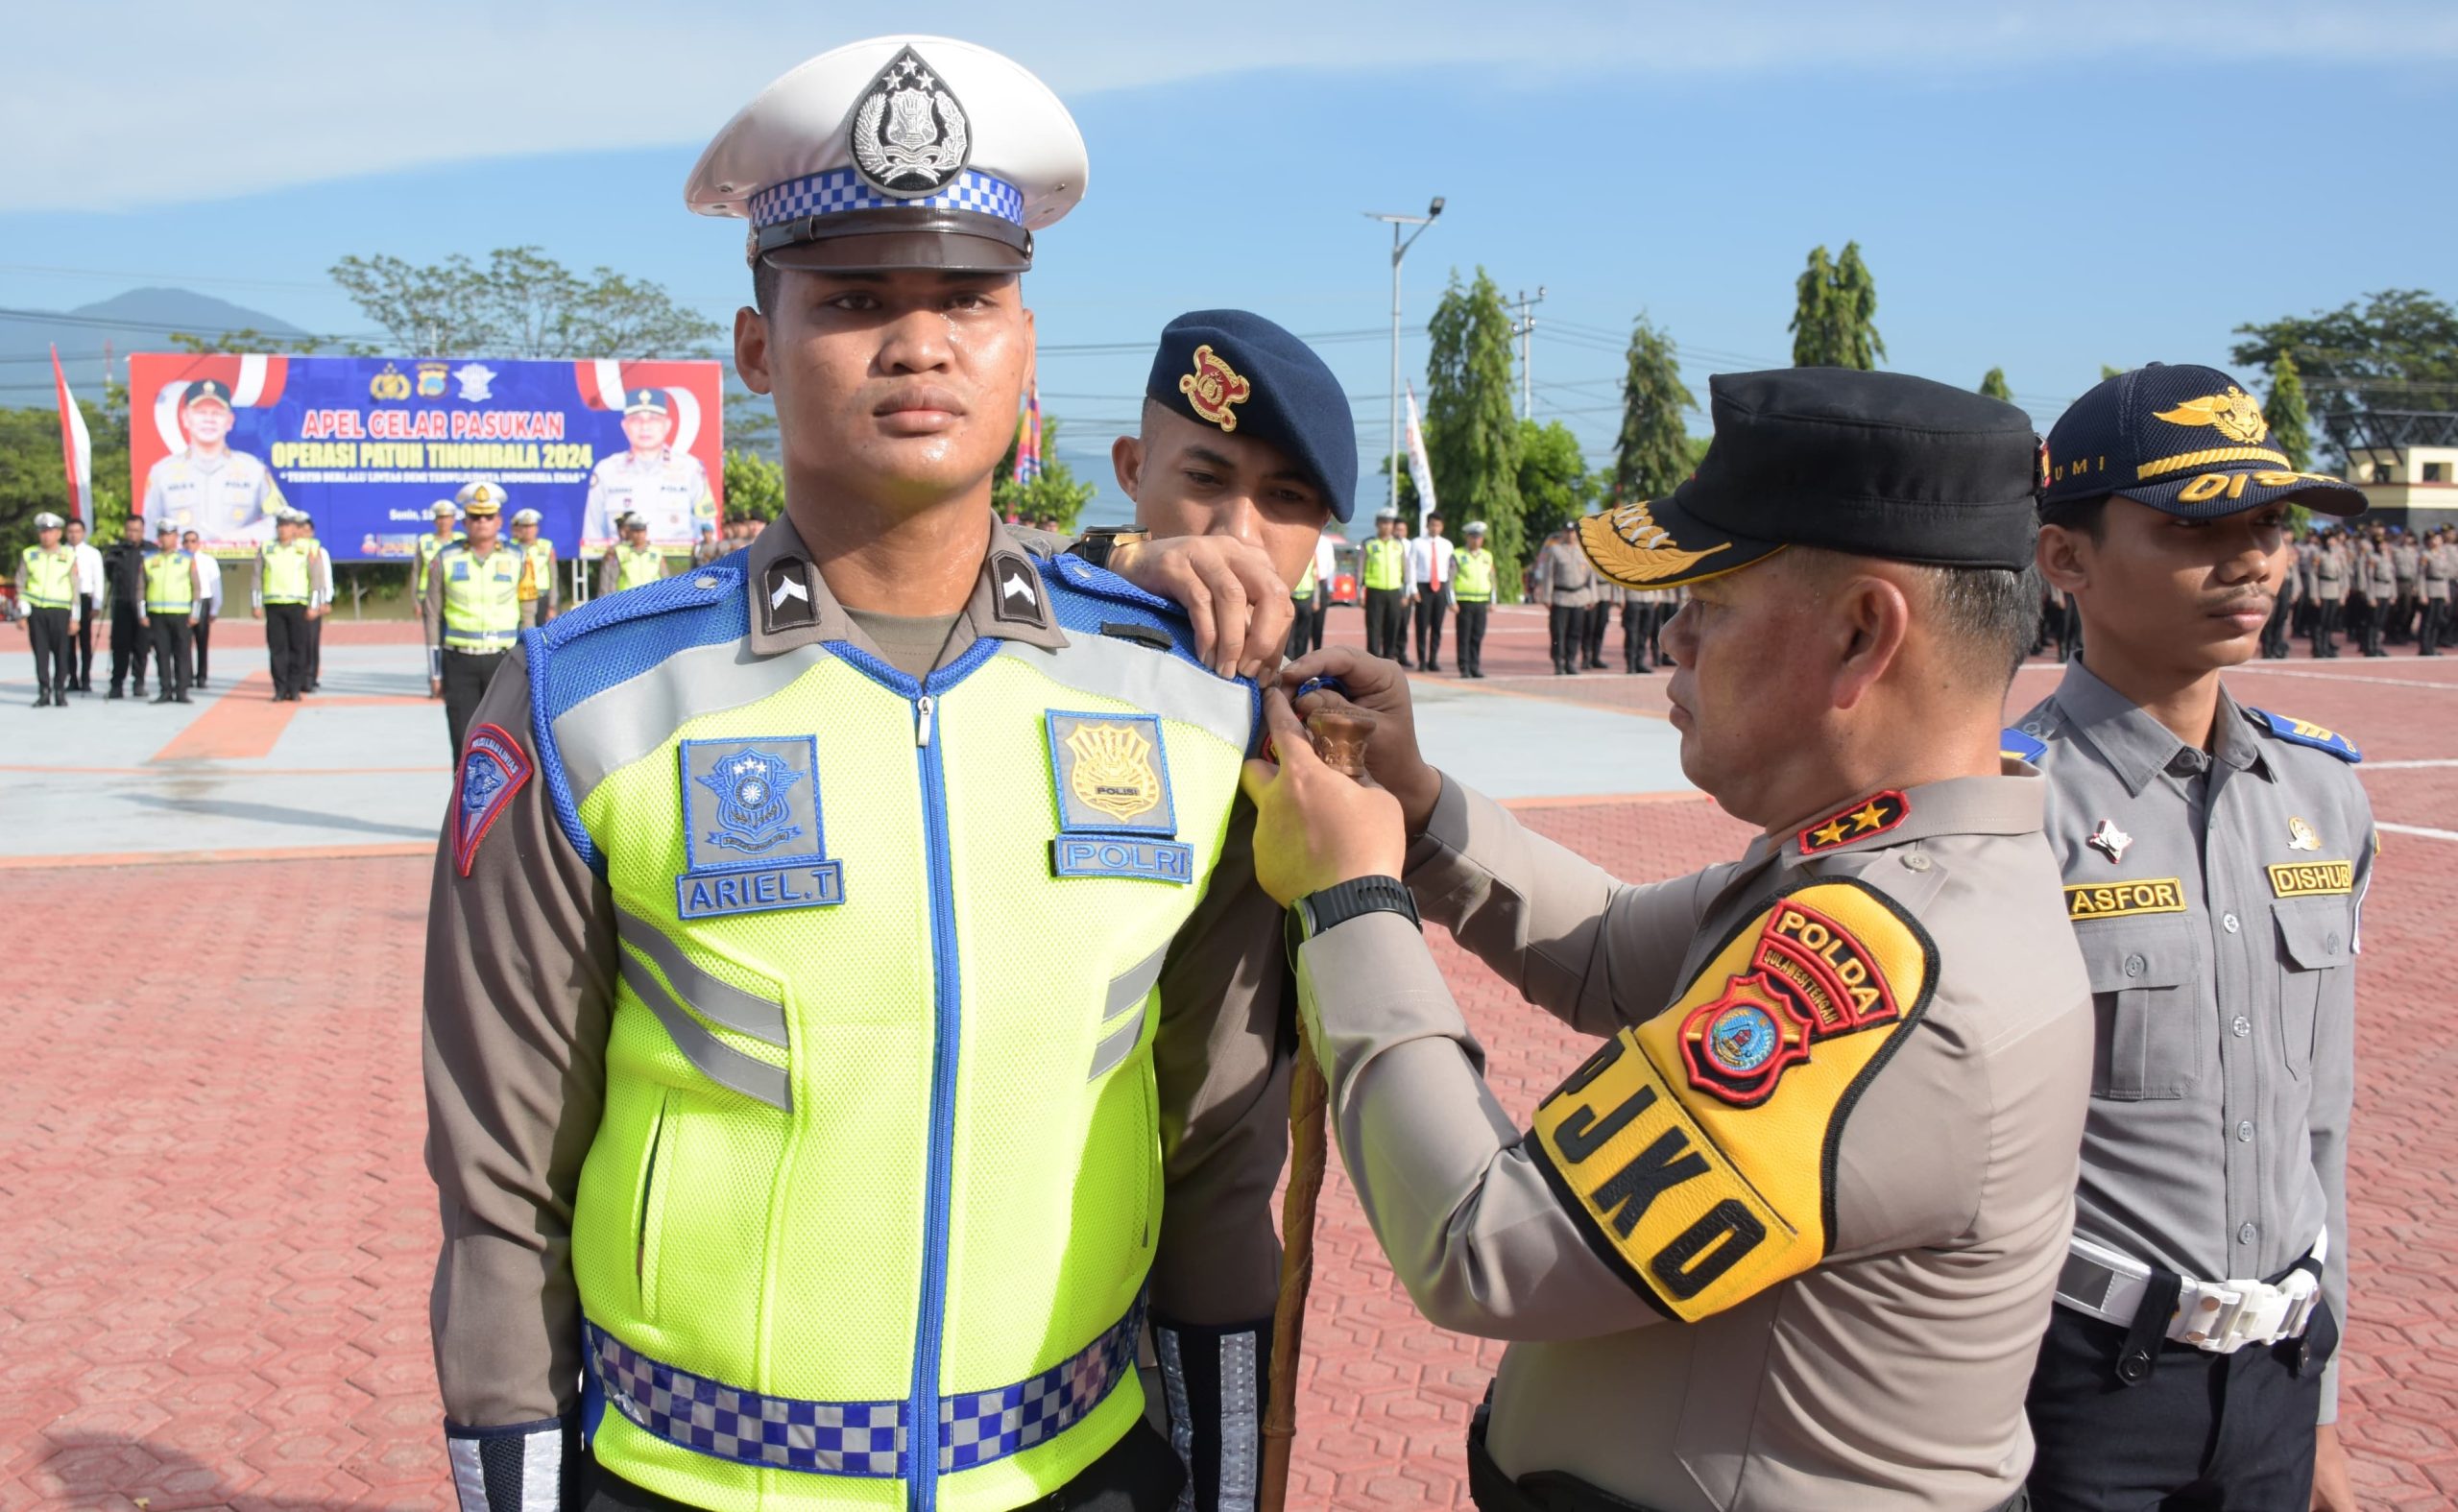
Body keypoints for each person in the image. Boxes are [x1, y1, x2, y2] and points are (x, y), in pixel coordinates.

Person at [424, 37, 1298, 1512]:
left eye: (968, 297)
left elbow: (1220, 1142)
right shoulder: (592, 696)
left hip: (1084, 1468)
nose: (920, 343)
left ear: (1027, 340)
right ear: (758, 348)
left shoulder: (1184, 690)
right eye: (851, 301)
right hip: (691, 1478)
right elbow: (501, 1185)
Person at [1250, 368, 2090, 1511]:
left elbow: (1486, 1246)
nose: (1673, 642)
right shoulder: (1877, 863)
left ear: (1860, 633)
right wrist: (1416, 801)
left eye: (1710, 606)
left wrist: (1348, 900)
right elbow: (1606, 947)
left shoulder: (1893, 962)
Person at [2017, 362, 2373, 1512]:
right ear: (2064, 558)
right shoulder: (2008, 807)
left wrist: (2313, 1410)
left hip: (2276, 1370)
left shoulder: (2322, 796)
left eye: (2267, 523)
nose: (2252, 558)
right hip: (2072, 1382)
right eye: (2194, 525)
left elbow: (2319, 1117)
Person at [425, 483, 521, 755]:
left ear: (499, 521)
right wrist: (435, 671)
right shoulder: (445, 558)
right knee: (463, 742)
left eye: (488, 516)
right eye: (475, 517)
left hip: (505, 661)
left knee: (506, 746)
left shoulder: (517, 557)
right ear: (465, 521)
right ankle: (461, 798)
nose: (482, 523)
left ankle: (505, 800)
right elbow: (432, 615)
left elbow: (528, 615)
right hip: (459, 662)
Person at [140, 377, 288, 546]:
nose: (209, 419)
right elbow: (150, 533)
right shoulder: (162, 473)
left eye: (217, 413)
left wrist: (236, 538)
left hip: (241, 566)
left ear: (230, 421)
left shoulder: (254, 470)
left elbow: (279, 521)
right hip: (182, 566)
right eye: (201, 412)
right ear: (185, 417)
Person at [580, 388, 718, 547]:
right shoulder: (606, 471)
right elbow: (593, 537)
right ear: (625, 426)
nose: (645, 426)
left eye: (653, 419)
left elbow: (708, 529)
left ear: (667, 425)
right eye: (636, 419)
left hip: (680, 566)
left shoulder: (690, 469)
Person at [14, 512, 79, 708]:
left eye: (50, 531)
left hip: (60, 609)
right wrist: (22, 612)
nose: (46, 535)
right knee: (40, 652)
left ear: (59, 533)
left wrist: (75, 617)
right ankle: (44, 691)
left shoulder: (68, 555)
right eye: (42, 531)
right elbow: (21, 583)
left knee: (62, 652)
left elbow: (74, 585)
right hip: (37, 610)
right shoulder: (29, 554)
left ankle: (60, 690)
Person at [253, 510, 316, 701]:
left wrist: (314, 605)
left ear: (295, 528)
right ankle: (280, 688)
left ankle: (295, 688)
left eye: (287, 525)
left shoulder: (306, 549)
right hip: (274, 604)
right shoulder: (267, 548)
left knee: (298, 648)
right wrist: (256, 604)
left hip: (298, 604)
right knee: (277, 649)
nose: (283, 529)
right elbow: (256, 578)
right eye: (280, 525)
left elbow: (315, 579)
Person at [136, 517, 200, 704]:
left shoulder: (187, 558)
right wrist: (142, 613)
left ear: (176, 537)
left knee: (182, 653)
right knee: (162, 654)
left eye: (168, 535)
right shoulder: (149, 559)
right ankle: (165, 690)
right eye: (161, 535)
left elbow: (196, 587)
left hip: (181, 614)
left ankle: (182, 691)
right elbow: (141, 588)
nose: (164, 539)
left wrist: (195, 613)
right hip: (157, 614)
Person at [1531, 523, 1595, 675]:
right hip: (1560, 597)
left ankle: (1570, 661)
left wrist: (1592, 596)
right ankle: (1558, 662)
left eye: (1572, 532)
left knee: (1575, 631)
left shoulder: (1583, 551)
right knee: (1558, 632)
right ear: (1562, 533)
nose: (1570, 535)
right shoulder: (1555, 550)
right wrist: (1546, 596)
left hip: (1579, 597)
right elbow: (1549, 575)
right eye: (1567, 532)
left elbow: (1590, 576)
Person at [415, 500, 463, 698]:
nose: (444, 522)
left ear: (454, 520)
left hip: (455, 597)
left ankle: (452, 681)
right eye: (440, 518)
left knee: (452, 639)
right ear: (435, 520)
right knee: (433, 639)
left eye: (448, 517)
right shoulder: (425, 541)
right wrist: (416, 601)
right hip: (430, 598)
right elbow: (416, 571)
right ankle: (435, 679)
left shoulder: (461, 540)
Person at [102, 514, 153, 698]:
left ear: (143, 531)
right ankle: (116, 684)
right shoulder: (116, 551)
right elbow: (109, 575)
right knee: (120, 646)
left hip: (143, 605)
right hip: (121, 603)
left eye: (136, 530)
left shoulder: (151, 550)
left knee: (141, 646)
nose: (132, 534)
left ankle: (138, 683)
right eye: (129, 530)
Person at [1407, 510, 1454, 672]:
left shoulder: (1447, 545)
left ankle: (1433, 659)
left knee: (1437, 625)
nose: (1435, 528)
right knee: (1422, 625)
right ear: (1427, 525)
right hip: (1423, 587)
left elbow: (1450, 570)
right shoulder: (1417, 543)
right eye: (1432, 525)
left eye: (1438, 525)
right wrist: (1413, 589)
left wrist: (1449, 592)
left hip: (1440, 586)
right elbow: (1411, 566)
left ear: (1442, 527)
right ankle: (1422, 661)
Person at [1361, 508, 1409, 661]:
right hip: (1375, 590)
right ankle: (1373, 658)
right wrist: (1359, 591)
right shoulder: (1369, 543)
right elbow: (1360, 569)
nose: (1386, 526)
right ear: (1377, 524)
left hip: (1394, 590)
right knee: (1374, 626)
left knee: (1393, 624)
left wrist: (1406, 593)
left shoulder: (1399, 545)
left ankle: (1389, 657)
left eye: (1389, 523)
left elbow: (1405, 569)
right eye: (1383, 523)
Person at [1451, 520, 1494, 678]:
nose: (1476, 541)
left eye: (1479, 537)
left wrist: (1492, 600)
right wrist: (1452, 601)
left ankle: (1475, 666)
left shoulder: (1487, 556)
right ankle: (1464, 667)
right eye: (1473, 537)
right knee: (1464, 635)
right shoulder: (1458, 554)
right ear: (1467, 538)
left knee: (1478, 635)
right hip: (1464, 600)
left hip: (1481, 600)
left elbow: (1492, 579)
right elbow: (1451, 579)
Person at [66, 516, 101, 693]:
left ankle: (86, 678)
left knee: (85, 642)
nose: (73, 535)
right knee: (67, 642)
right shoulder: (62, 552)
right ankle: (72, 678)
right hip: (66, 599)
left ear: (83, 533)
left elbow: (98, 579)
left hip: (85, 598)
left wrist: (97, 604)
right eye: (70, 531)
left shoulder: (92, 553)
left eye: (77, 531)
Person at [511, 506, 561, 628]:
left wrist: (552, 605)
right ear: (518, 528)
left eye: (531, 526)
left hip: (541, 596)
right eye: (524, 526)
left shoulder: (546, 546)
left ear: (536, 528)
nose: (528, 530)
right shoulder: (511, 547)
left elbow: (553, 576)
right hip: (518, 596)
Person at [184, 530, 222, 687]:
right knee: (184, 643)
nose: (189, 544)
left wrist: (215, 609)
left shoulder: (208, 561)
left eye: (193, 541)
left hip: (203, 602)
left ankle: (201, 676)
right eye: (186, 541)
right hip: (184, 603)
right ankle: (186, 676)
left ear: (198, 543)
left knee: (201, 642)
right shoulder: (180, 560)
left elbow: (216, 586)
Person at [301, 512, 332, 692]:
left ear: (312, 532)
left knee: (312, 641)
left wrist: (325, 600)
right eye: (301, 530)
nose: (303, 534)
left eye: (307, 530)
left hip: (315, 602)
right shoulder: (293, 551)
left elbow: (325, 578)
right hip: (297, 600)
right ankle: (299, 676)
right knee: (299, 641)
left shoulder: (319, 551)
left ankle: (311, 677)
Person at [598, 512, 665, 595]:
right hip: (627, 602)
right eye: (635, 531)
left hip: (653, 600)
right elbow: (608, 582)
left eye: (641, 530)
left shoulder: (656, 552)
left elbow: (665, 580)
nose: (639, 534)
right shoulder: (617, 551)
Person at [2310, 530, 2347, 657]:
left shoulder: (2338, 555)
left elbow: (2342, 575)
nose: (2331, 542)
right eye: (2329, 539)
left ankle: (2326, 646)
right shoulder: (2319, 554)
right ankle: (2318, 648)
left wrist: (2342, 594)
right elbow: (2313, 575)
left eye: (2333, 539)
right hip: (2323, 589)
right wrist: (2314, 595)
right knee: (2320, 621)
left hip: (2335, 589)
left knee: (2330, 622)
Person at [2420, 527, 2453, 656]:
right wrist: (2423, 594)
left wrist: (2446, 594)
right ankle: (2425, 647)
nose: (2437, 541)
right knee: (2428, 620)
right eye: (2434, 539)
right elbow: (2421, 576)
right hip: (2430, 588)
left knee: (2437, 620)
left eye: (2439, 539)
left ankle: (2432, 646)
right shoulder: (2425, 555)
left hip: (2440, 589)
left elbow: (2445, 577)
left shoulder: (2442, 555)